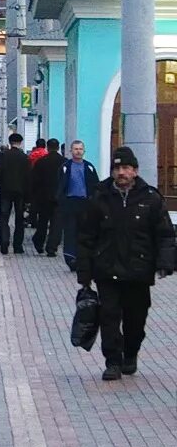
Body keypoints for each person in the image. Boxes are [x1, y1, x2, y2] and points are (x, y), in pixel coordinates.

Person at [76, 146, 175, 380]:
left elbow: (165, 234)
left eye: (126, 168)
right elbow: (85, 237)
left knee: (136, 320)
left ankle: (131, 353)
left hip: (138, 271)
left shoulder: (150, 198)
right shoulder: (99, 198)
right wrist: (84, 273)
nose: (122, 173)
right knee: (109, 317)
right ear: (112, 171)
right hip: (106, 270)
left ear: (135, 171)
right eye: (118, 168)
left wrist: (166, 262)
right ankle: (112, 361)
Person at [53, 140, 99, 270]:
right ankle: (71, 258)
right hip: (70, 203)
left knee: (84, 232)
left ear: (84, 151)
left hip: (85, 204)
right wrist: (60, 200)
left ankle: (84, 258)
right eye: (75, 149)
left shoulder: (89, 167)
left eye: (80, 149)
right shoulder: (65, 167)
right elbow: (60, 185)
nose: (78, 151)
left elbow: (96, 185)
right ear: (71, 151)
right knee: (70, 231)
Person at [0, 132, 30, 254]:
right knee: (19, 219)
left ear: (10, 142)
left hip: (5, 191)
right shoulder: (25, 158)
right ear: (20, 143)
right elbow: (29, 177)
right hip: (20, 192)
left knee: (3, 217)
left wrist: (1, 184)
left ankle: (4, 243)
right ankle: (18, 246)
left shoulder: (2, 156)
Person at [30, 138, 64, 254]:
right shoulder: (64, 162)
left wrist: (34, 197)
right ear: (58, 148)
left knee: (42, 222)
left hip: (43, 197)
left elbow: (34, 180)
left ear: (47, 148)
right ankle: (52, 247)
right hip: (59, 197)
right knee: (56, 224)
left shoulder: (41, 162)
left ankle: (38, 242)